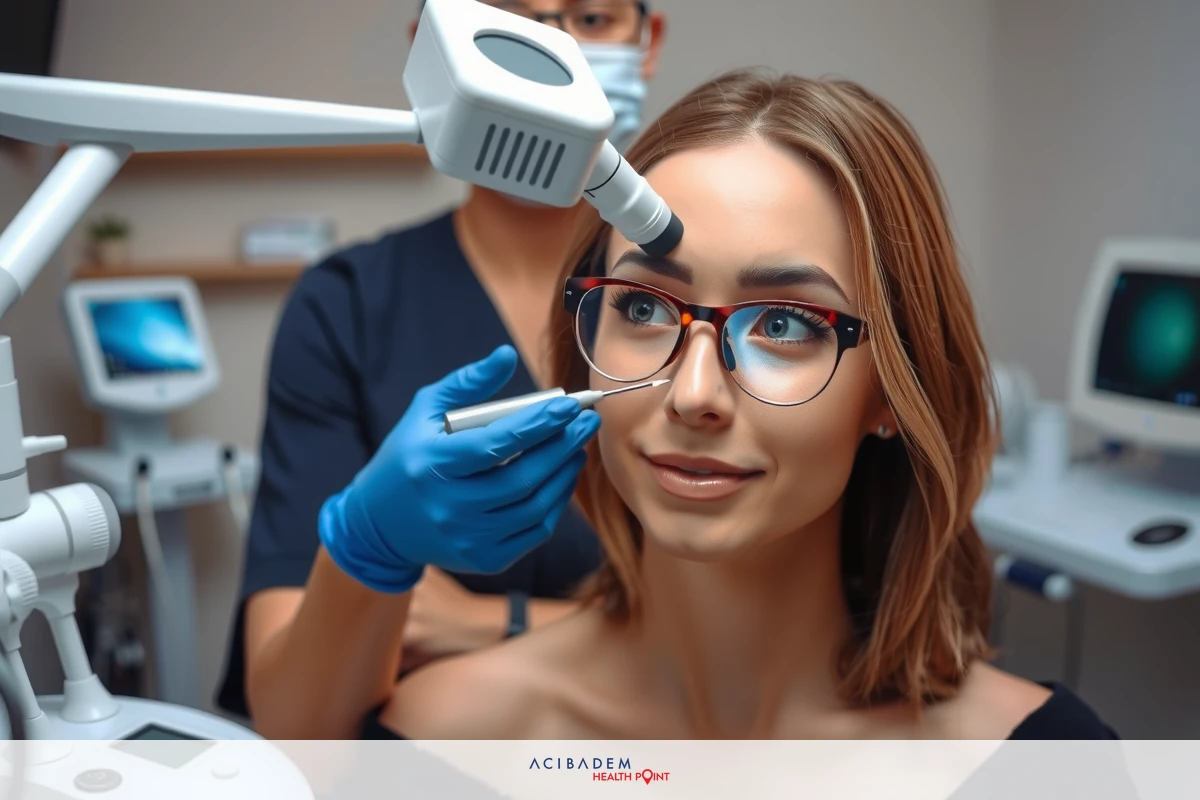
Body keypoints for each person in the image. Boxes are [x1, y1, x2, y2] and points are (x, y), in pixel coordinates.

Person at [339, 68, 1120, 740]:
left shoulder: (1044, 763)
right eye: (644, 307)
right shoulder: (443, 741)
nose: (694, 395)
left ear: (892, 389)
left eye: (783, 324)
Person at [217, 0, 668, 737]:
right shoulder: (348, 305)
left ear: (647, 40)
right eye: (512, 24)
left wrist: (496, 621)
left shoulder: (697, 302)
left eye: (590, 18)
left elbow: (765, 633)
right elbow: (296, 722)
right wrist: (368, 549)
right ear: (430, 50)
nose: (552, 49)